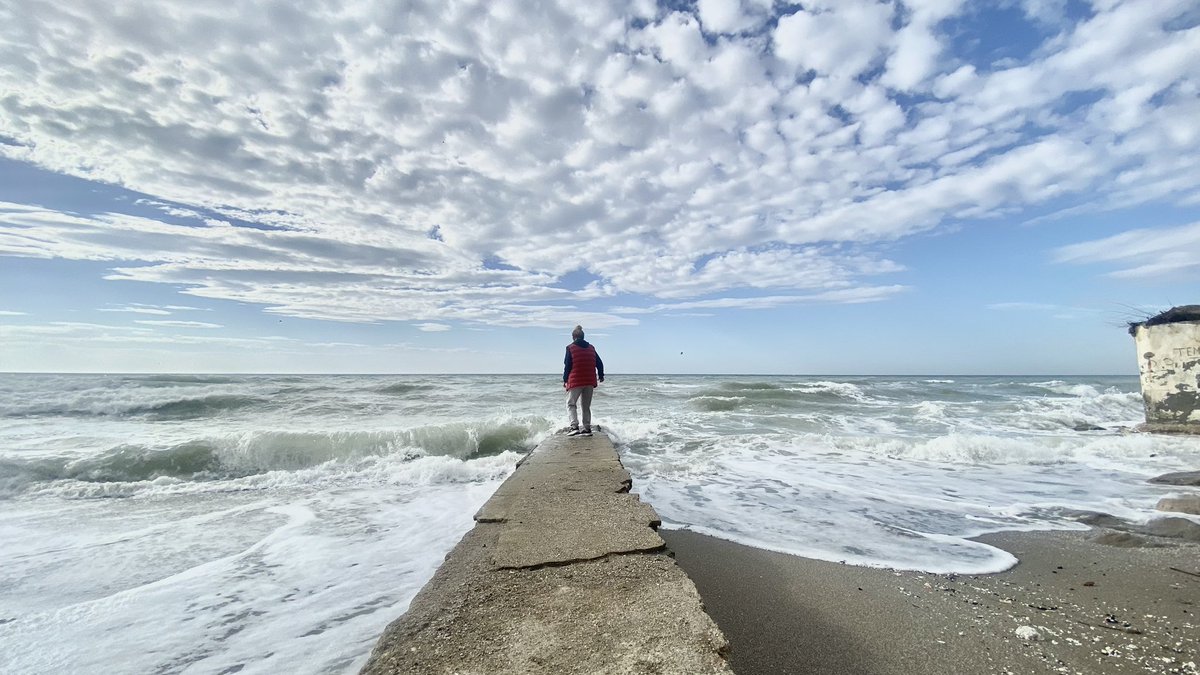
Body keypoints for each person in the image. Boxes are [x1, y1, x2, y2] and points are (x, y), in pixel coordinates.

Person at [563, 324, 604, 436]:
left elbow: (567, 365)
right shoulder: (591, 348)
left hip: (576, 381)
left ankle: (574, 426)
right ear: (583, 336)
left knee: (571, 403)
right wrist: (601, 375)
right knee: (586, 406)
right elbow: (599, 363)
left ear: (573, 337)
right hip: (589, 381)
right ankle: (586, 428)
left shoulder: (570, 348)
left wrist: (565, 379)